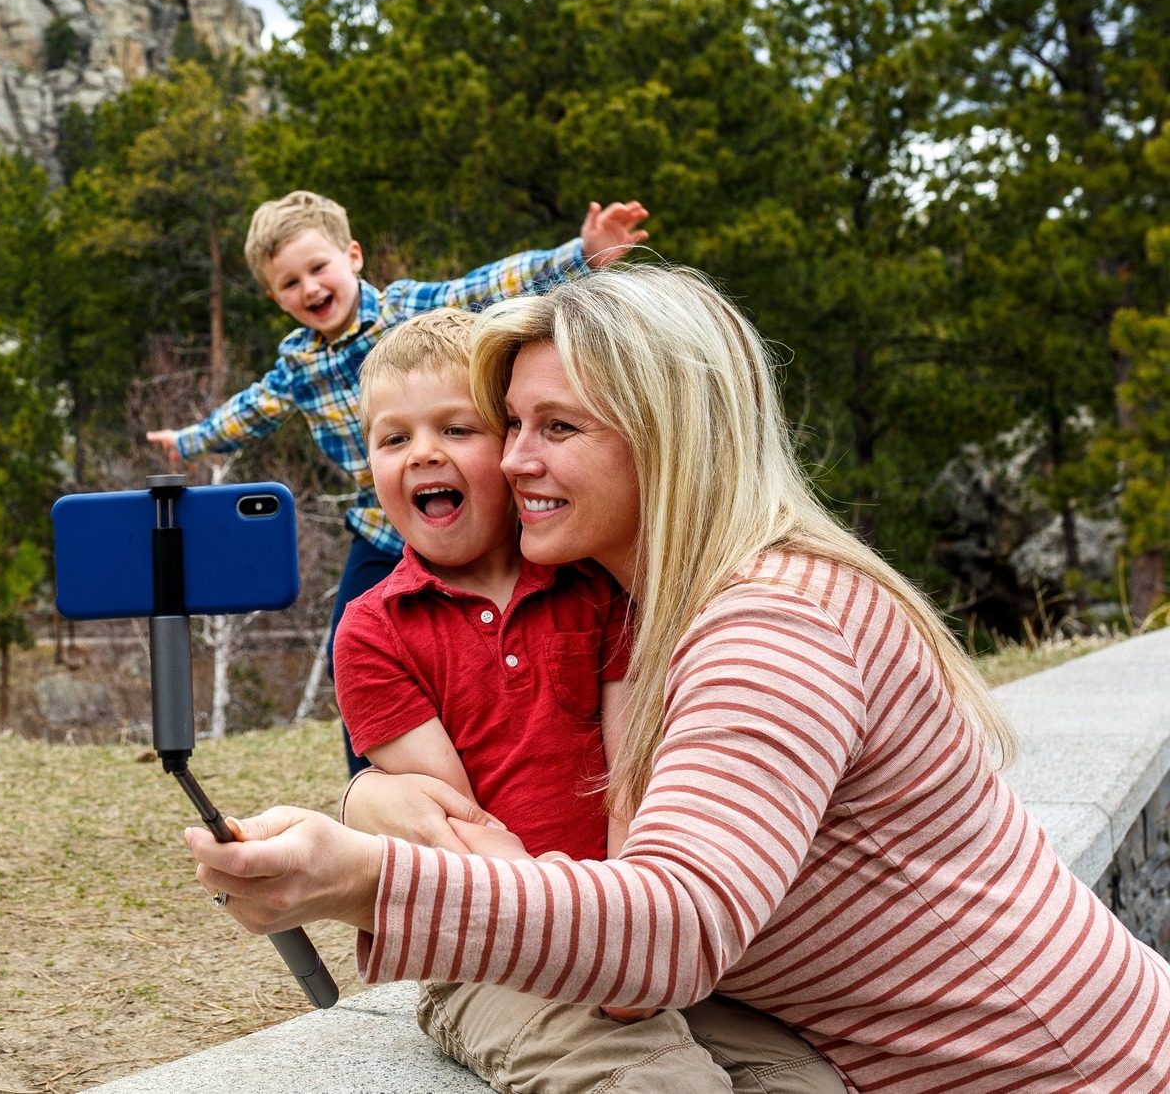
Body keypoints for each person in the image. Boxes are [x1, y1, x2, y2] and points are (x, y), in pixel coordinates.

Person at [186, 265, 1170, 1092]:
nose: (513, 458)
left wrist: (360, 876)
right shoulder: (653, 602)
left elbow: (675, 923)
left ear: (666, 436)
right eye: (512, 422)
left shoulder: (770, 620)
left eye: (554, 428)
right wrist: (373, 789)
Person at [335, 307, 840, 1092]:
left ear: (509, 452)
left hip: (624, 916)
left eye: (457, 429)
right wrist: (573, 943)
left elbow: (630, 771)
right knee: (651, 1083)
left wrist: (627, 949)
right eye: (393, 438)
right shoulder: (374, 629)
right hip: (488, 949)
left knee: (800, 1076)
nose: (423, 452)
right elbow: (456, 826)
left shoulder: (596, 587)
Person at [148, 190, 650, 773]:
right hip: (378, 524)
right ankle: (373, 778)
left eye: (318, 268)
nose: (309, 289)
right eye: (289, 284)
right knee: (355, 646)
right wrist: (187, 443)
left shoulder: (406, 311)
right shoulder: (296, 368)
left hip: (478, 511)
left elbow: (485, 286)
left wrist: (579, 254)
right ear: (274, 297)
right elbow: (246, 413)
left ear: (353, 256)